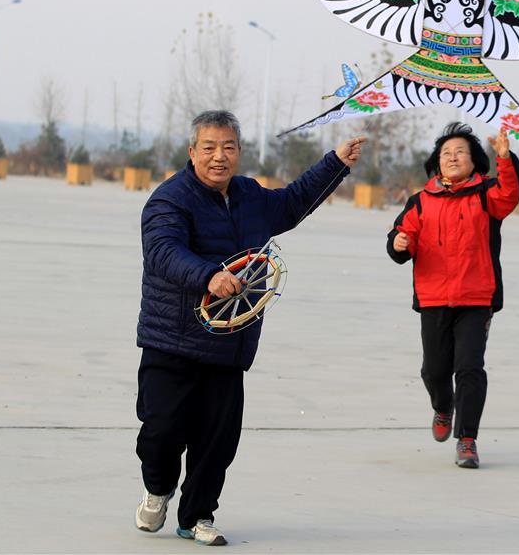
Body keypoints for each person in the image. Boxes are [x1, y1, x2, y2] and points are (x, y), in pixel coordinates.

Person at [134, 110, 365, 545]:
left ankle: (197, 516)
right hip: (173, 339)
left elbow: (294, 202)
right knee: (161, 431)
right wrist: (208, 276)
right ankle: (158, 488)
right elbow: (163, 251)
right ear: (192, 152)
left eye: (228, 147)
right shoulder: (170, 199)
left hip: (228, 341)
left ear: (239, 152)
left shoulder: (249, 196)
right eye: (209, 147)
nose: (219, 157)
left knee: (217, 440)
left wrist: (335, 162)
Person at [387, 122, 519, 469]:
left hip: (476, 298)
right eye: (446, 153)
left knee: (469, 368)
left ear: (474, 161)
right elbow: (401, 236)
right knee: (434, 371)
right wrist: (399, 244)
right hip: (433, 298)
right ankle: (441, 406)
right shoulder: (421, 201)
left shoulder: (487, 195)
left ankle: (467, 439)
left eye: (460, 152)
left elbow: (511, 192)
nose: (452, 157)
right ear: (437, 162)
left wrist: (506, 159)